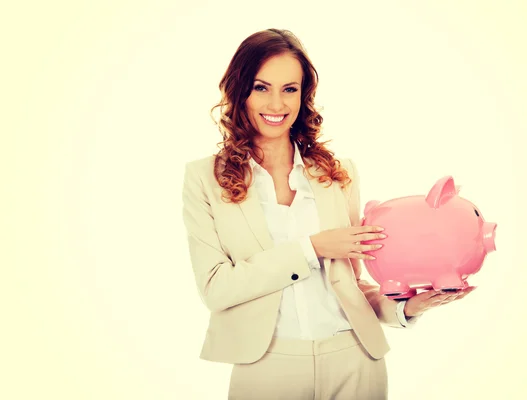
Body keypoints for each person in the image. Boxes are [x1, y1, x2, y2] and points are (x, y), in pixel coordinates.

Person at [181, 28, 476, 400]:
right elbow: (216, 289)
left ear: (304, 95)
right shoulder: (205, 179)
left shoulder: (339, 173)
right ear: (239, 91)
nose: (276, 104)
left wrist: (407, 307)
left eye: (290, 89)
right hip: (266, 366)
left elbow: (352, 285)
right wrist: (312, 248)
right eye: (261, 87)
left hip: (353, 359)